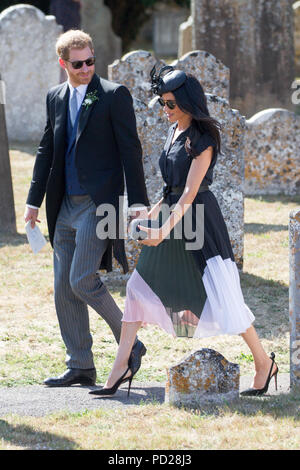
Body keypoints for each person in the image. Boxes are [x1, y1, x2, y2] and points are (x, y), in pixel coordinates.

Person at [90, 66, 278, 398]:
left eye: (171, 104)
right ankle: (122, 365)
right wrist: (152, 213)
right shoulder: (174, 129)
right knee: (136, 288)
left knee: (224, 299)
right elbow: (172, 187)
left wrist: (162, 229)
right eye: (162, 103)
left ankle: (264, 364)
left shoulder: (203, 141)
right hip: (170, 220)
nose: (165, 110)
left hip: (198, 224)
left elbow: (190, 193)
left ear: (188, 103)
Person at [24, 30, 149, 387]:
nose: (85, 69)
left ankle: (131, 343)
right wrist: (34, 202)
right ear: (63, 63)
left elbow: (130, 150)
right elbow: (46, 150)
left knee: (82, 279)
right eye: (77, 64)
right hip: (63, 206)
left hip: (99, 204)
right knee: (64, 288)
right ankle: (80, 364)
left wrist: (137, 202)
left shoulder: (113, 95)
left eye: (90, 61)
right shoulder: (55, 97)